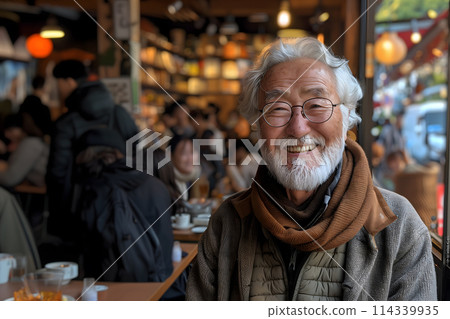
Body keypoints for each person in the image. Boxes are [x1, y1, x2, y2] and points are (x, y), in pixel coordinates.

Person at [186, 37, 437, 301]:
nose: (297, 128)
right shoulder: (227, 223)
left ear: (347, 116)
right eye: (277, 108)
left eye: (316, 106)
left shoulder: (398, 226)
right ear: (258, 127)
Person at [73, 127, 185, 299]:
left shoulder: (95, 190)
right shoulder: (155, 184)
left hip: (117, 288)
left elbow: (86, 250)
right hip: (166, 284)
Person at [46, 59, 138, 239]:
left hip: (77, 205)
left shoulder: (67, 123)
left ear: (69, 81)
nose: (58, 89)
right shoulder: (119, 113)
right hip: (122, 199)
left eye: (59, 83)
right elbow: (137, 151)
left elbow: (57, 171)